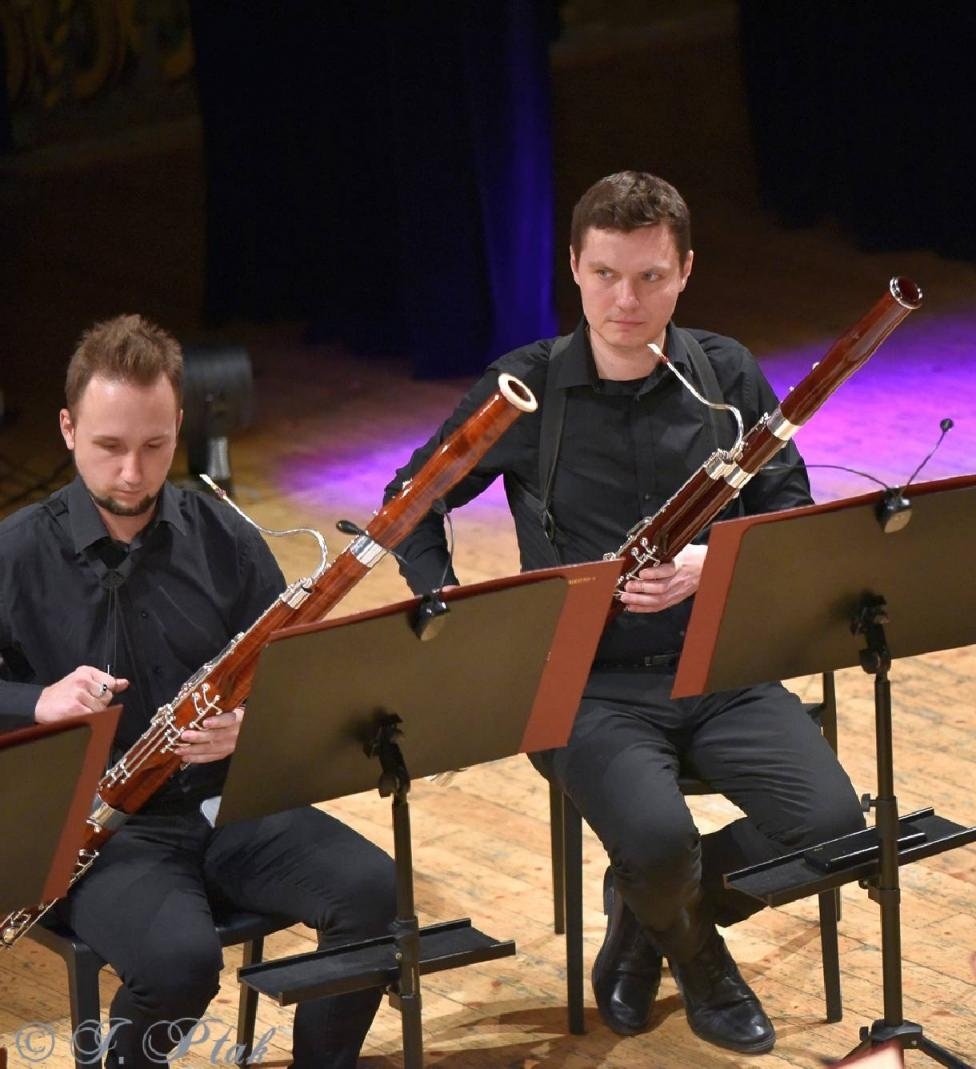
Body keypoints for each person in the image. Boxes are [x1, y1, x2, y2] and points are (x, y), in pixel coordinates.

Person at [385, 171, 865, 1055]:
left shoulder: (725, 373)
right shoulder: (524, 390)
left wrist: (706, 565)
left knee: (835, 826)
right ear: (574, 266)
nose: (625, 299)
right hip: (581, 687)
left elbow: (789, 513)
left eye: (649, 276)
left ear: (685, 271)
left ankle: (651, 914)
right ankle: (704, 962)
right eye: (605, 273)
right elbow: (411, 500)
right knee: (656, 834)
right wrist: (450, 611)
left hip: (718, 665)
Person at [0, 315, 396, 1069]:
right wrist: (38, 701)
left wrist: (250, 726)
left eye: (154, 445)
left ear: (179, 423)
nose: (131, 473)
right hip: (106, 834)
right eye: (108, 446)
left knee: (372, 891)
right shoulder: (15, 554)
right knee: (180, 964)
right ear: (66, 427)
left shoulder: (224, 535)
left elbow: (295, 678)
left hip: (227, 801)